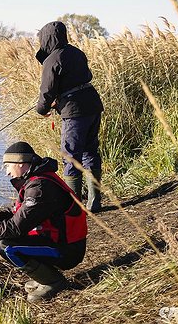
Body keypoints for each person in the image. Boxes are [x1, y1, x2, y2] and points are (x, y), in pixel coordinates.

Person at [0, 141, 87, 303]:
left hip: (68, 250)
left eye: (7, 166)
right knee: (9, 242)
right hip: (61, 242)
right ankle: (44, 275)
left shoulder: (40, 187)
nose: (6, 172)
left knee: (6, 246)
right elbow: (16, 212)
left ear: (20, 164)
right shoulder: (36, 180)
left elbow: (16, 227)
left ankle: (53, 282)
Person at [34, 20, 104, 212]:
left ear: (46, 39)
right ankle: (94, 202)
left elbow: (46, 92)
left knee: (71, 157)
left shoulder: (52, 60)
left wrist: (41, 109)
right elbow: (81, 78)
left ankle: (74, 207)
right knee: (90, 152)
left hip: (74, 113)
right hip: (92, 104)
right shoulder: (76, 52)